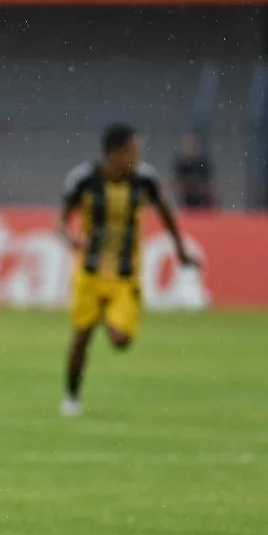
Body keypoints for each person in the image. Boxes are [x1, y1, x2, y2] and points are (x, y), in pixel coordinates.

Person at [58, 123, 201, 417]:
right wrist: (71, 238)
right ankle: (71, 398)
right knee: (81, 336)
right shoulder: (84, 179)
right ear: (115, 153)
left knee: (121, 340)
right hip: (90, 272)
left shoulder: (145, 180)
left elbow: (166, 214)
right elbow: (60, 221)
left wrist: (182, 252)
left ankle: (108, 316)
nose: (138, 157)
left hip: (125, 275)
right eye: (133, 151)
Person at [170, 131, 216, 209]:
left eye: (194, 144)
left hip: (202, 206)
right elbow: (175, 183)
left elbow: (210, 185)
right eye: (189, 143)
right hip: (184, 205)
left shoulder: (203, 163)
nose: (192, 146)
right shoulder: (181, 164)